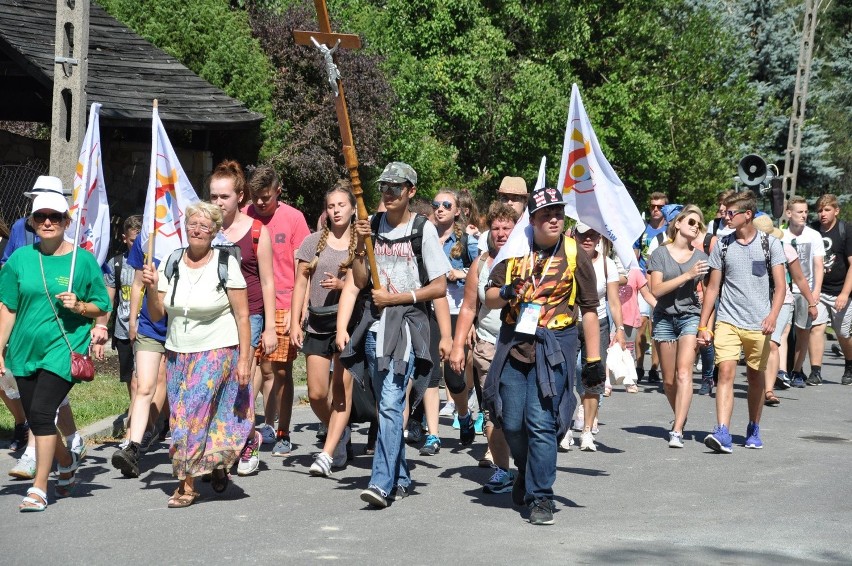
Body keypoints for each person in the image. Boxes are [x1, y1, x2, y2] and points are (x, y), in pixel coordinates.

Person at [483, 187, 601, 526]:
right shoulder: (516, 250)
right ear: (531, 221)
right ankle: (526, 470)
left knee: (541, 423)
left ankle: (541, 497)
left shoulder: (574, 253)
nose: (554, 219)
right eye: (546, 214)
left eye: (559, 214)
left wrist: (593, 361)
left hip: (555, 345)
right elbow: (488, 297)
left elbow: (590, 310)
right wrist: (506, 292)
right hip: (514, 342)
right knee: (512, 422)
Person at [338, 161, 452, 508]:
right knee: (382, 406)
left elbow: (439, 286)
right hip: (374, 327)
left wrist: (400, 300)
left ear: (411, 192)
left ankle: (381, 483)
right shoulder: (371, 225)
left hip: (407, 326)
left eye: (396, 188)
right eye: (384, 187)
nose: (388, 193)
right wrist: (360, 244)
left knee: (390, 403)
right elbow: (359, 279)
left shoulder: (423, 229)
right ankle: (401, 475)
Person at [0, 185, 110, 511]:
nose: (48, 222)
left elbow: (101, 304)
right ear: (32, 222)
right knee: (38, 421)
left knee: (43, 414)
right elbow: (7, 308)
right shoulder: (20, 259)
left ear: (66, 221)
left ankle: (38, 488)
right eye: (41, 216)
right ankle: (66, 461)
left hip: (64, 348)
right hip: (24, 350)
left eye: (55, 217)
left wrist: (80, 307)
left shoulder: (83, 260)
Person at [141, 201, 251, 508]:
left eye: (205, 226)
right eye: (193, 225)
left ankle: (186, 485)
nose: (198, 230)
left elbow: (243, 316)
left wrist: (244, 360)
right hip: (177, 353)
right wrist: (151, 288)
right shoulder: (173, 261)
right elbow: (158, 312)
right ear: (185, 229)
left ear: (215, 231)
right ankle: (215, 464)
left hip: (217, 350)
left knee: (191, 416)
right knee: (182, 418)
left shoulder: (225, 263)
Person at [698, 191, 785, 453]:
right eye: (725, 212)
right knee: (725, 371)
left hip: (759, 323)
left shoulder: (771, 245)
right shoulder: (722, 245)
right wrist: (704, 324)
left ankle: (753, 427)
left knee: (756, 378)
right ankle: (722, 431)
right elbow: (712, 288)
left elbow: (780, 287)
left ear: (747, 215)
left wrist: (772, 317)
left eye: (730, 213)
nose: (725, 217)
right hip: (727, 320)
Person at [290, 180, 362, 477]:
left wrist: (344, 284)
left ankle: (330, 449)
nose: (335, 211)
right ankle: (340, 431)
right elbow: (300, 284)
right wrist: (295, 320)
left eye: (341, 205)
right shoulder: (312, 241)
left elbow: (365, 284)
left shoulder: (361, 243)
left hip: (348, 323)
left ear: (353, 208)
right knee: (317, 393)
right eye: (331, 206)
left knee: (341, 391)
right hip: (318, 323)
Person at [210, 160, 277, 476]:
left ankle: (249, 440)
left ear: (240, 196)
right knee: (216, 383)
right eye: (213, 197)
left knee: (242, 382)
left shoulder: (256, 232)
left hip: (248, 318)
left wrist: (271, 328)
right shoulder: (206, 230)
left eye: (224, 197)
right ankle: (224, 442)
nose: (218, 203)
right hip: (214, 318)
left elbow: (267, 281)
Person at [449, 202, 517, 493]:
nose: (501, 233)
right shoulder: (481, 263)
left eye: (507, 228)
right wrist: (456, 346)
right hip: (488, 345)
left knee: (520, 411)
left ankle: (527, 468)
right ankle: (502, 469)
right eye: (496, 228)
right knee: (493, 410)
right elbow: (467, 307)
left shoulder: (527, 260)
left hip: (522, 344)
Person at [245, 166, 310, 455]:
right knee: (252, 366)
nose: (260, 203)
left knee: (281, 370)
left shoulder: (294, 219)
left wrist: (301, 309)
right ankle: (248, 427)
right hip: (250, 303)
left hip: (285, 301)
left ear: (278, 190)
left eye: (266, 197)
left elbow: (304, 268)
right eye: (256, 197)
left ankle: (282, 430)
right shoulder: (245, 215)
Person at [647, 205, 709, 448]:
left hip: (690, 317)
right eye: (692, 222)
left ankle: (677, 429)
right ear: (679, 223)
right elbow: (656, 290)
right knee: (669, 381)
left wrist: (706, 326)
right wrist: (687, 276)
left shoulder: (702, 258)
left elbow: (711, 292)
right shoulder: (660, 254)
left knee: (685, 374)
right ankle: (680, 415)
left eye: (699, 225)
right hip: (664, 317)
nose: (695, 227)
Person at [426, 188, 479, 452]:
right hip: (429, 309)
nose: (440, 208)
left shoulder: (466, 239)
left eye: (447, 205)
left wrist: (460, 272)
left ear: (457, 210)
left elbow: (484, 268)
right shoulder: (424, 234)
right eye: (436, 204)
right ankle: (429, 431)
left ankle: (463, 414)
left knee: (454, 374)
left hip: (458, 309)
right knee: (428, 369)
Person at [572, 222, 626, 452]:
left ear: (599, 238)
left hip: (599, 323)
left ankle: (586, 432)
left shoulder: (607, 263)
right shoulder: (567, 258)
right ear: (574, 234)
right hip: (568, 323)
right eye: (583, 234)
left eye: (592, 234)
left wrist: (620, 328)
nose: (587, 238)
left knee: (593, 376)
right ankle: (564, 427)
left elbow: (613, 300)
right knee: (567, 374)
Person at [753, 216, 817, 406]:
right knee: (760, 345)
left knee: (772, 343)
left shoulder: (784, 248)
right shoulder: (747, 249)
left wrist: (811, 303)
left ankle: (769, 390)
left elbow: (799, 278)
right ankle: (759, 384)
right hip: (755, 302)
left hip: (783, 302)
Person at [782, 197, 826, 387]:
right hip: (784, 290)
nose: (804, 215)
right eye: (800, 212)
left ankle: (797, 371)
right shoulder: (781, 235)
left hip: (804, 289)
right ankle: (781, 372)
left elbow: (818, 265)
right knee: (783, 331)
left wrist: (815, 293)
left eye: (806, 212)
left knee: (803, 331)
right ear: (789, 213)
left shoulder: (813, 236)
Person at [98, 215, 142, 399]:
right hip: (123, 331)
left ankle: (141, 421)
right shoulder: (115, 264)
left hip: (147, 330)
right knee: (129, 378)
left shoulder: (154, 264)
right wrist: (100, 329)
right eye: (133, 241)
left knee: (140, 379)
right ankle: (137, 412)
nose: (137, 244)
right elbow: (107, 301)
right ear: (125, 238)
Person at [815, 194, 852, 386]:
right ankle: (816, 371)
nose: (823, 214)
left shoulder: (845, 230)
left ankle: (849, 364)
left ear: (836, 211)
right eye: (820, 210)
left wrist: (845, 294)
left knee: (842, 333)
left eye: (827, 210)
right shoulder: (813, 230)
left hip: (840, 291)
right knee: (817, 328)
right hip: (819, 290)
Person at [634, 192, 669, 383]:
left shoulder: (672, 230)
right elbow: (635, 256)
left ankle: (655, 367)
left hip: (662, 283)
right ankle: (639, 366)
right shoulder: (641, 230)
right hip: (642, 281)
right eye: (652, 206)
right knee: (641, 324)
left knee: (658, 328)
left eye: (660, 206)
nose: (655, 209)